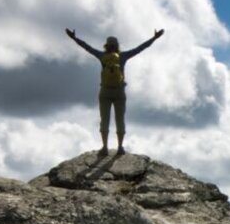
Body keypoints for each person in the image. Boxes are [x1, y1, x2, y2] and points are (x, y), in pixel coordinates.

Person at [66, 28, 165, 156]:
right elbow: (140, 48)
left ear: (106, 46)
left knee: (104, 120)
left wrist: (74, 38)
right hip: (119, 92)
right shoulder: (123, 56)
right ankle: (120, 147)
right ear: (117, 46)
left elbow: (87, 48)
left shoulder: (102, 56)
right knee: (120, 119)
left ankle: (105, 147)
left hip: (105, 91)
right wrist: (154, 38)